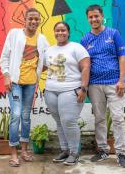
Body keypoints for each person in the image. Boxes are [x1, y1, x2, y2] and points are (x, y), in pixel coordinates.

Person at [0, 8, 49, 167]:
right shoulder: (14, 34)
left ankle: (24, 151)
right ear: (25, 20)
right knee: (15, 114)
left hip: (30, 84)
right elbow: (4, 57)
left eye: (36, 19)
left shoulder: (42, 39)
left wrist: (39, 70)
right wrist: (6, 75)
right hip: (15, 83)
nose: (34, 22)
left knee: (26, 116)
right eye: (31, 19)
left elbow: (47, 60)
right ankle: (13, 153)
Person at [80, 4, 125, 168]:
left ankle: (121, 153)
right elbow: (84, 65)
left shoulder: (113, 34)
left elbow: (122, 57)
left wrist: (121, 80)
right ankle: (102, 150)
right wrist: (84, 87)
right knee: (99, 119)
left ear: (102, 16)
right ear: (87, 19)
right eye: (91, 17)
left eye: (96, 16)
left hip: (114, 84)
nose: (94, 19)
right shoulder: (85, 39)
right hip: (94, 85)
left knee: (118, 119)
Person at [43, 21, 90, 166]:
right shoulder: (49, 50)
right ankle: (64, 150)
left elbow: (86, 67)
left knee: (69, 121)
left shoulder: (76, 47)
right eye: (57, 30)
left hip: (70, 90)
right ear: (54, 32)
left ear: (68, 32)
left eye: (63, 30)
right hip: (51, 90)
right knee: (59, 122)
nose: (60, 33)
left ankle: (74, 153)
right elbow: (42, 67)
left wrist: (83, 88)